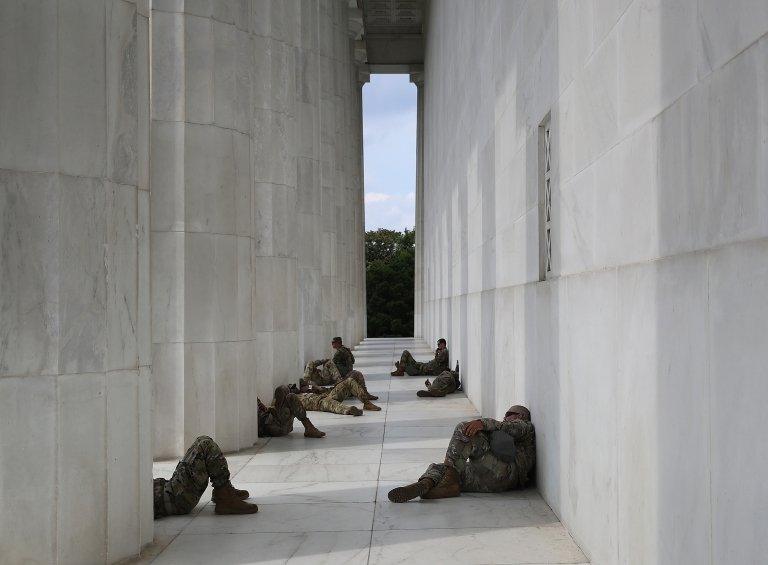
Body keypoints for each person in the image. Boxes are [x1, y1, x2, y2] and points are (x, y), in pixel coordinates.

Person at [387, 405, 535, 502]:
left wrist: (482, 423)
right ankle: (426, 484)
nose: (505, 417)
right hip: (490, 480)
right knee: (441, 468)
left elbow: (508, 427)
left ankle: (448, 481)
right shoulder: (504, 427)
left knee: (465, 429)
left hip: (507, 474)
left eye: (509, 414)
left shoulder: (525, 427)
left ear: (519, 415)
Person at [153, 435, 259, 518]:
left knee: (202, 440)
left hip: (170, 489)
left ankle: (222, 490)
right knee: (205, 445)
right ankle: (224, 496)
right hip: (175, 498)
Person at [257, 385, 325, 438]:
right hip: (272, 426)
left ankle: (309, 428)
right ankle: (309, 427)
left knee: (284, 390)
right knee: (289, 396)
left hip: (277, 425)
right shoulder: (249, 402)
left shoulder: (252, 399)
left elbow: (263, 409)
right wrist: (271, 410)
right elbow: (261, 417)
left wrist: (268, 409)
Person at [293, 377, 382, 415]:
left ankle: (367, 403)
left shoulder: (307, 386)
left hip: (328, 394)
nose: (294, 389)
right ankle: (349, 410)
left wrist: (314, 387)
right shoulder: (295, 399)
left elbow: (305, 381)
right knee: (331, 404)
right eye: (291, 389)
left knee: (349, 381)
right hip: (320, 403)